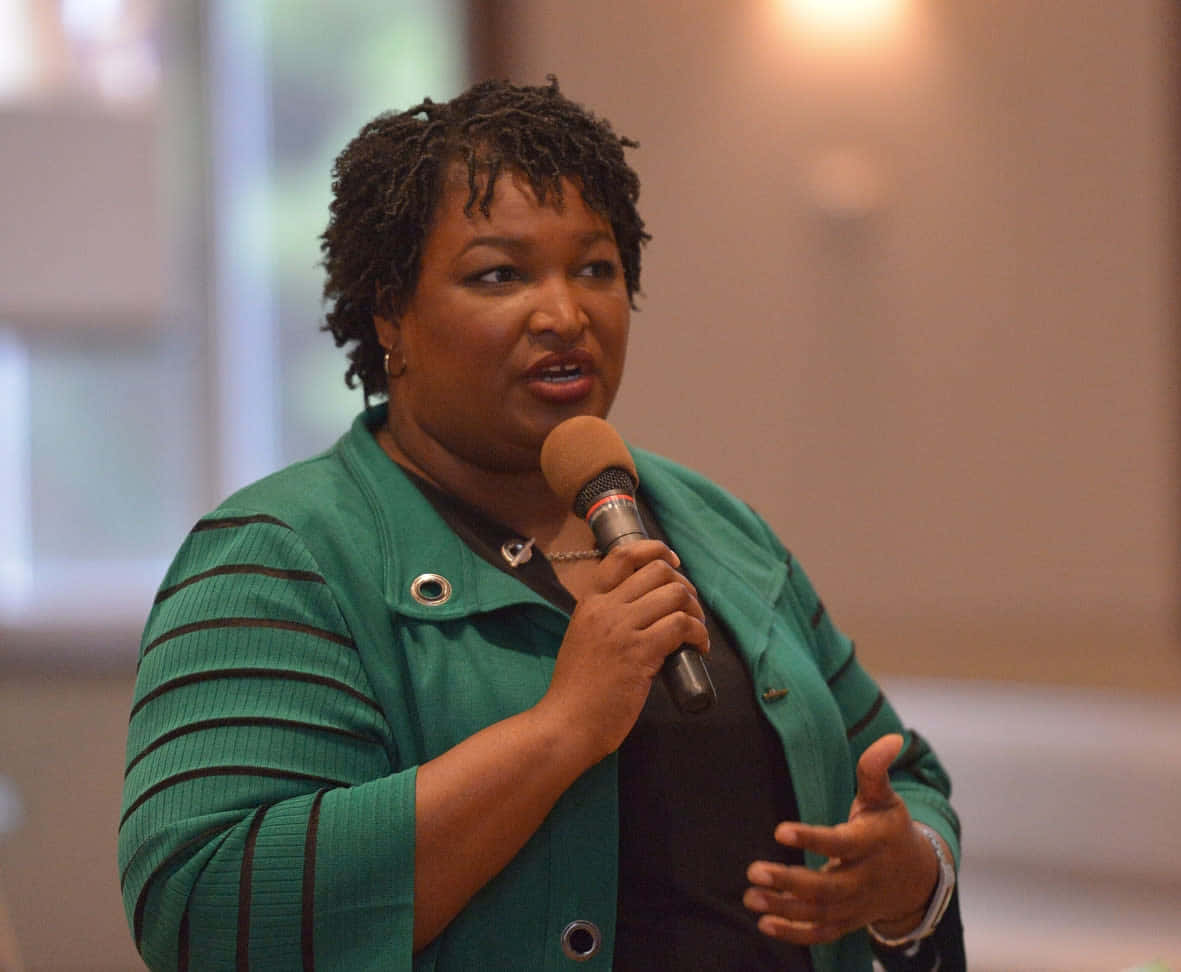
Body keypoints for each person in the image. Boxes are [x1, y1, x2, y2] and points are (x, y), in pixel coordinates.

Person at [118, 77, 964, 971]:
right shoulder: (280, 554)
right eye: (500, 274)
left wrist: (907, 874)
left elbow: (898, 770)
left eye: (595, 268)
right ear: (390, 314)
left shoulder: (714, 526)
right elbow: (205, 905)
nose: (566, 315)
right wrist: (560, 729)